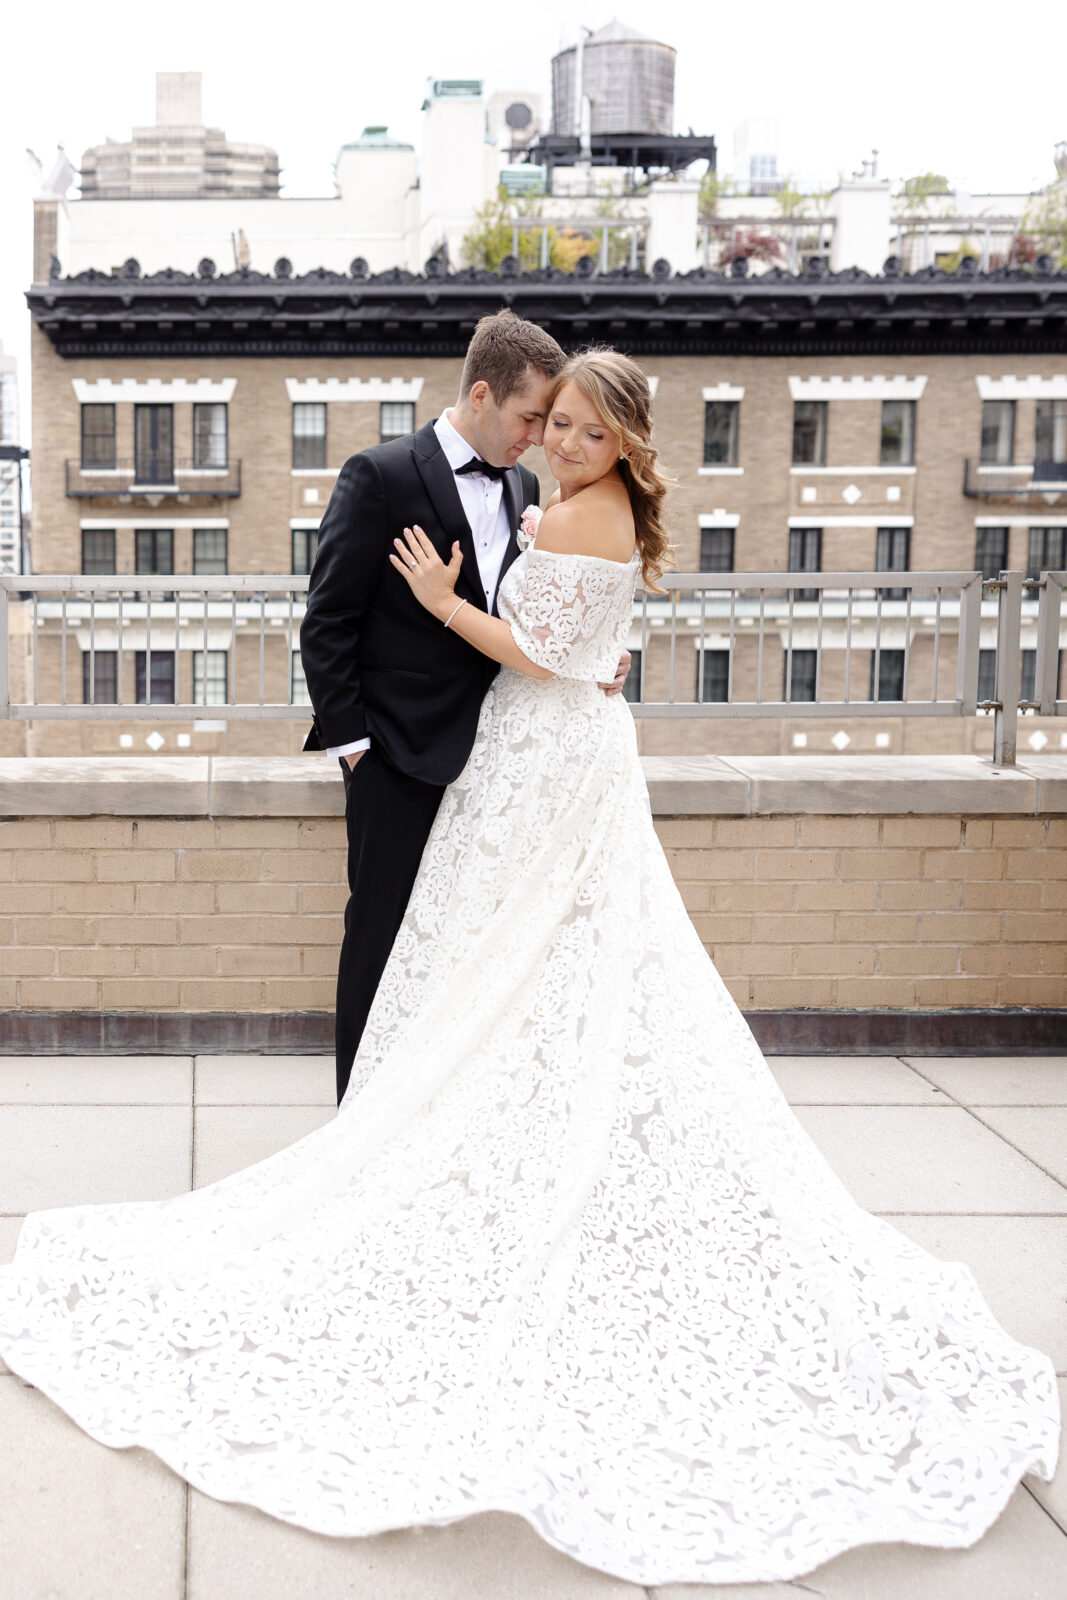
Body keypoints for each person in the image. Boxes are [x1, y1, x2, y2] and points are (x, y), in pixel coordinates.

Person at [0, 350, 1058, 1589]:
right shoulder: (527, 494)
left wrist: (451, 601)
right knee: (491, 970)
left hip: (547, 757)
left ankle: (468, 1148)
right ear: (517, 403)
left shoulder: (580, 510)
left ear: (619, 441)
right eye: (551, 418)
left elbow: (547, 653)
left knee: (534, 967)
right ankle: (424, 1134)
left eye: (581, 425)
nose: (557, 437)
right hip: (515, 758)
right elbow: (522, 632)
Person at [298, 309, 630, 1105]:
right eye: (530, 419)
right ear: (481, 394)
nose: (540, 440)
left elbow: (537, 616)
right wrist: (354, 747)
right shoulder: (377, 476)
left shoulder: (522, 485)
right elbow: (327, 619)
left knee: (460, 948)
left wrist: (594, 660)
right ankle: (358, 1115)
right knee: (380, 939)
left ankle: (434, 1107)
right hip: (397, 757)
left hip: (503, 759)